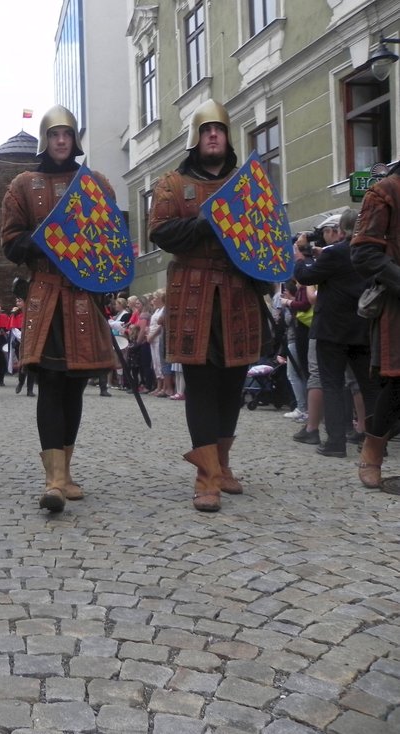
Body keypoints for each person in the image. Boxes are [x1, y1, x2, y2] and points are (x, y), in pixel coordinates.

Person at [148, 99, 269, 512]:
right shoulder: (171, 184)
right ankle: (206, 476)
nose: (213, 134)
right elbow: (160, 232)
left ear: (227, 135)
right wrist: (207, 220)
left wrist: (265, 273)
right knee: (200, 384)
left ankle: (223, 463)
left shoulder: (247, 183)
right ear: (195, 138)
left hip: (238, 291)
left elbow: (266, 233)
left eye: (218, 128)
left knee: (233, 382)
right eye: (205, 129)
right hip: (193, 290)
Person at [1, 104, 117, 512]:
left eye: (67, 134)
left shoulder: (95, 183)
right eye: (54, 135)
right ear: (45, 140)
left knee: (75, 386)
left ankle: (65, 471)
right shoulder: (23, 184)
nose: (61, 141)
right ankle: (53, 478)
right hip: (46, 294)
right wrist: (44, 238)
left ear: (74, 139)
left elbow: (109, 239)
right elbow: (10, 241)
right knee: (51, 384)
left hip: (84, 296)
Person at [293, 210, 379, 458]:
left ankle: (335, 442)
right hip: (362, 328)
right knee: (367, 386)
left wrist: (302, 255)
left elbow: (305, 276)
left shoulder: (336, 252)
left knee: (332, 384)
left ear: (341, 230)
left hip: (332, 331)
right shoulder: (371, 252)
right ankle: (374, 443)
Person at [350, 161, 400, 492]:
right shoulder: (386, 191)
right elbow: (364, 253)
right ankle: (372, 453)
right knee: (398, 388)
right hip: (398, 305)